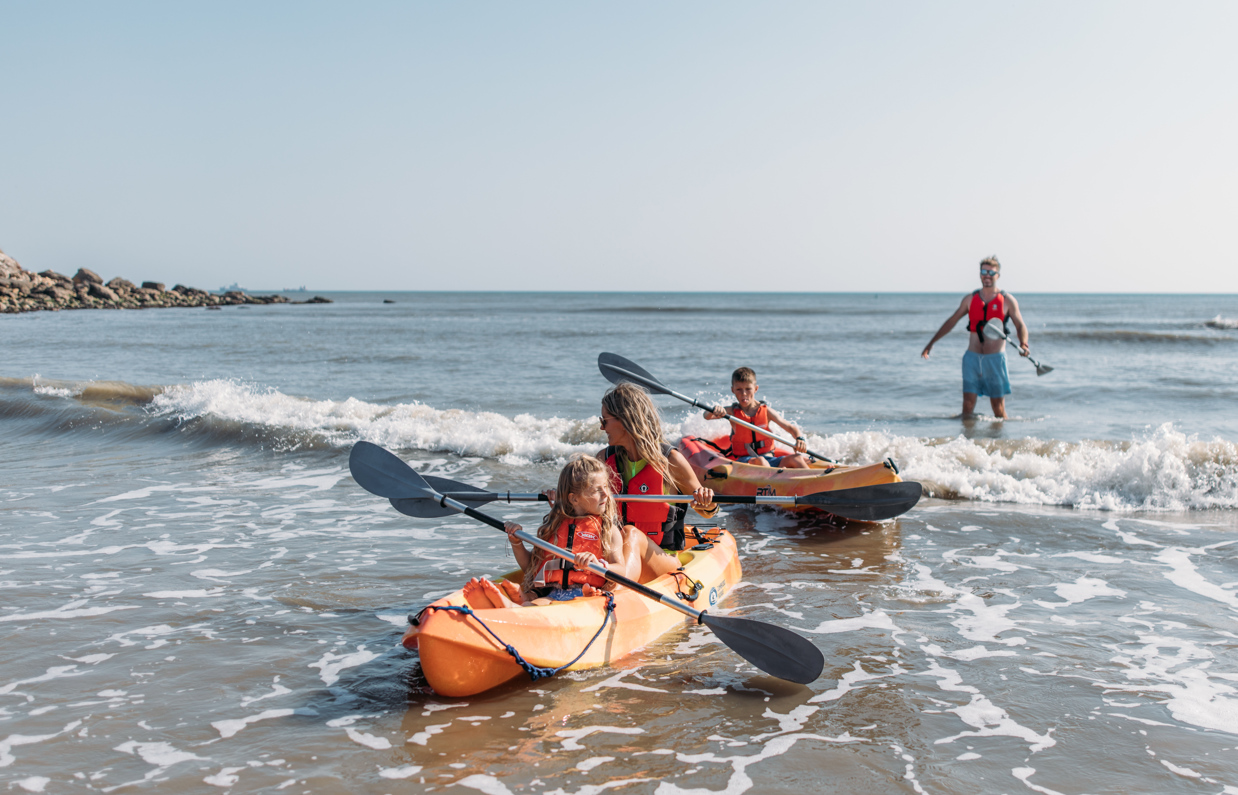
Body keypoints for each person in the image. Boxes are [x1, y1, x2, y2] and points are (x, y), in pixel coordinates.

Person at [468, 454, 640, 607]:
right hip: (551, 593)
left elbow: (621, 571)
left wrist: (598, 565)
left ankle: (516, 603)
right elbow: (531, 567)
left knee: (547, 604)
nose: (606, 494)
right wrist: (516, 543)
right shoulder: (555, 525)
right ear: (574, 499)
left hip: (587, 593)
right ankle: (518, 604)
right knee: (539, 602)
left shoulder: (607, 530)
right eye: (596, 490)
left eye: (605, 487)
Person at [598, 382, 717, 570]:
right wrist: (561, 497)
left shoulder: (671, 461)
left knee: (631, 534)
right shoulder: (604, 460)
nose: (602, 428)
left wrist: (706, 500)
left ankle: (615, 582)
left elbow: (707, 512)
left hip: (662, 557)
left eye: (604, 421)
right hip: (617, 555)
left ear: (624, 419)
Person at [921, 256, 1030, 419]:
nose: (986, 275)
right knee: (967, 405)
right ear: (980, 274)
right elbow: (951, 321)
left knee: (998, 408)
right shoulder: (970, 299)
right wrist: (931, 343)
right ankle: (967, 442)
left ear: (998, 275)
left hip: (995, 359)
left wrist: (1024, 343)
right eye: (983, 272)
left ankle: (1001, 442)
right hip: (972, 358)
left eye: (990, 272)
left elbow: (1020, 325)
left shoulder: (1007, 300)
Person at [702, 367, 811, 468]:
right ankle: (773, 485)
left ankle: (812, 484)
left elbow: (790, 427)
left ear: (756, 389)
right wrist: (715, 410)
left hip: (769, 459)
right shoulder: (731, 412)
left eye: (748, 389)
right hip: (745, 460)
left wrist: (799, 438)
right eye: (739, 389)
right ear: (733, 390)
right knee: (761, 461)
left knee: (796, 458)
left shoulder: (766, 411)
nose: (744, 393)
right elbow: (706, 416)